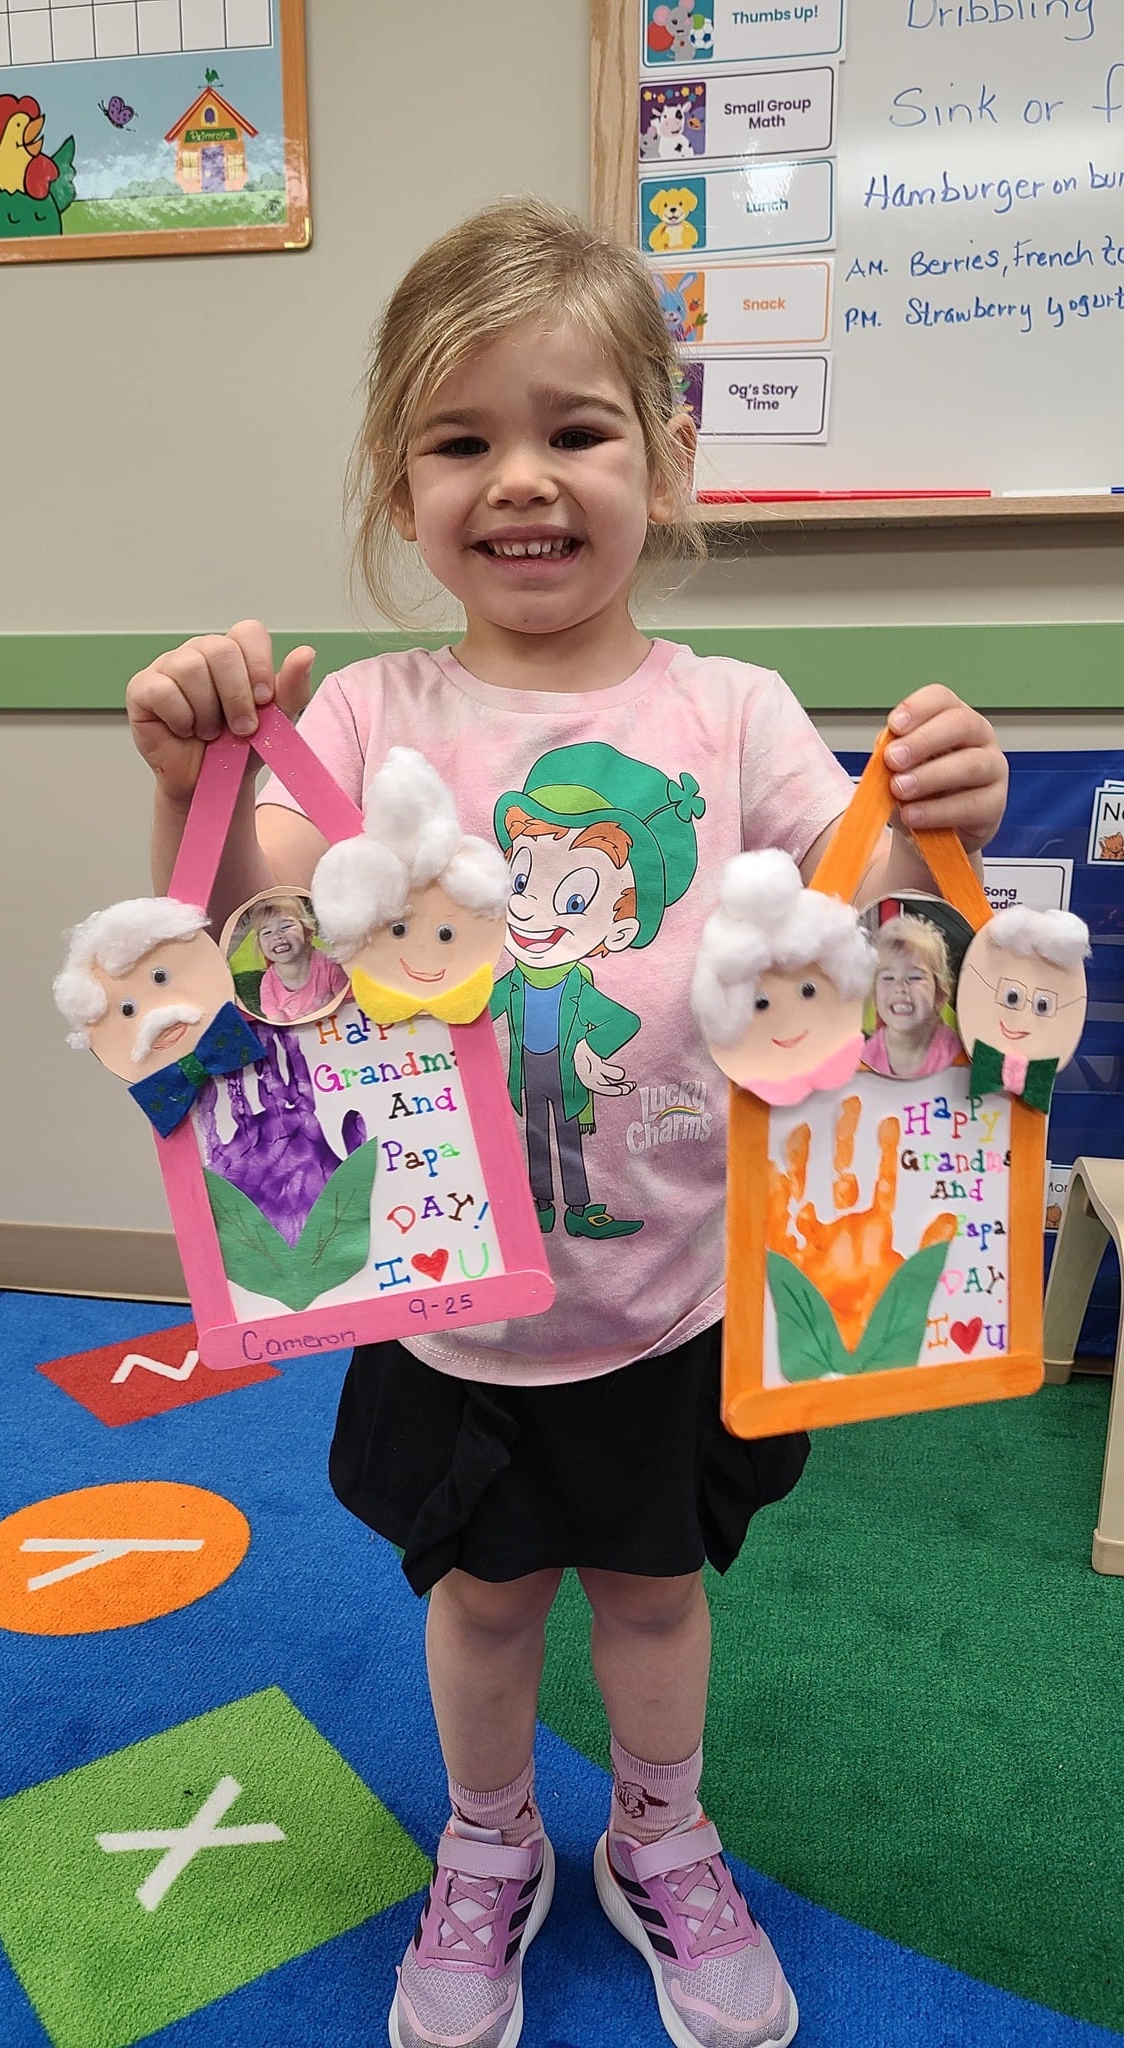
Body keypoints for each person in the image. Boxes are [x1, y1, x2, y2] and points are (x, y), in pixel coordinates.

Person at [124, 198, 1009, 2048]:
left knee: (656, 1595)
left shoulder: (733, 709)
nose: (519, 478)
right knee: (485, 1602)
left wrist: (954, 816)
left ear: (666, 460)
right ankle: (488, 1837)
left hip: (673, 1298)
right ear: (398, 480)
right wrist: (185, 783)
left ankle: (664, 1831)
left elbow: (859, 939)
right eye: (461, 439)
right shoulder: (365, 714)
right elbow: (240, 948)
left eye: (575, 427)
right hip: (450, 1314)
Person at [861, 912, 964, 1080]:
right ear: (874, 993)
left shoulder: (955, 1056)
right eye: (888, 978)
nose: (900, 987)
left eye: (915, 977)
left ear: (940, 993)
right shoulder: (866, 1056)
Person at [250, 893, 350, 1023]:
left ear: (307, 931)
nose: (277, 936)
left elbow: (349, 1007)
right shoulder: (269, 984)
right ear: (260, 945)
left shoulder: (328, 966)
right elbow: (278, 1025)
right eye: (267, 932)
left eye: (286, 926)